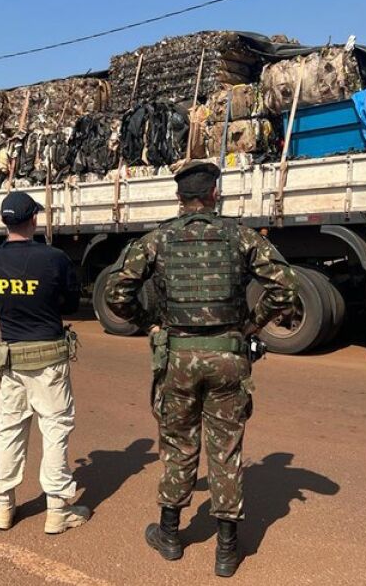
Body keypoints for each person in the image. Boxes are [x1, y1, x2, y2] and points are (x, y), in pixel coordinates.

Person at [103, 160, 297, 577]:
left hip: (177, 358)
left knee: (178, 446)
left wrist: (147, 323)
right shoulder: (242, 237)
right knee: (226, 452)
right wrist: (251, 324)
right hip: (229, 356)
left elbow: (116, 290)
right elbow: (286, 287)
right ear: (214, 195)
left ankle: (170, 535)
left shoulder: (157, 240)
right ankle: (227, 550)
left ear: (179, 198)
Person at [0, 191, 90, 534]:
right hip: (49, 362)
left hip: (11, 361)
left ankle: (4, 507)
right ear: (34, 220)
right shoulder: (55, 258)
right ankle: (57, 511)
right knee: (55, 430)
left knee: (10, 431)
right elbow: (71, 304)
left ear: (5, 221)